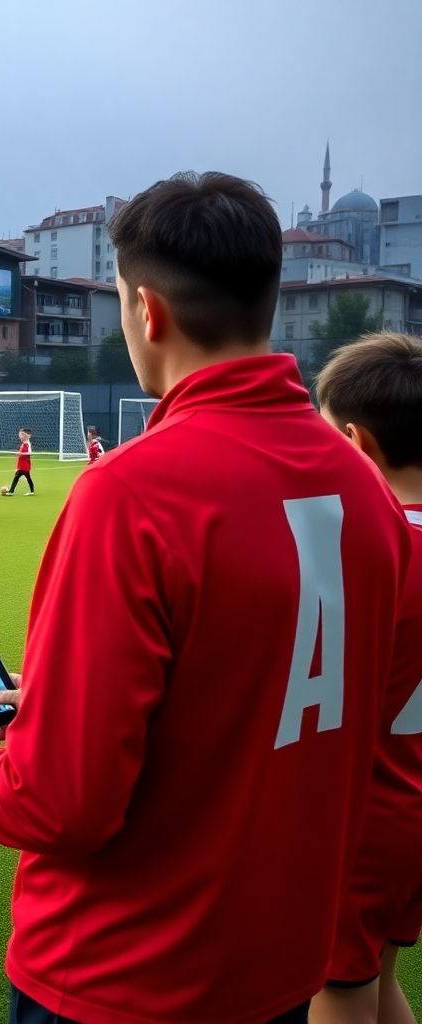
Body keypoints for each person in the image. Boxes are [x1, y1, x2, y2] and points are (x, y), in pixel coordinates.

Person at [0, 172, 410, 1024]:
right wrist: (74, 701)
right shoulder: (364, 486)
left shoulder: (131, 492)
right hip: (281, 968)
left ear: (145, 312)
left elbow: (62, 804)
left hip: (121, 979)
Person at [310, 332, 422, 1024]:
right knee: (378, 982)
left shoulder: (369, 552)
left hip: (359, 820)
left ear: (356, 443)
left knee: (335, 993)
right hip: (411, 807)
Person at [4, 428, 34, 495]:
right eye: (20, 435)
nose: (20, 436)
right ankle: (31, 491)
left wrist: (21, 454)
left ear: (26, 436)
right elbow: (21, 454)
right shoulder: (23, 444)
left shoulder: (27, 444)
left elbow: (29, 453)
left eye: (22, 435)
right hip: (22, 465)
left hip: (25, 466)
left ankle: (11, 491)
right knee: (27, 478)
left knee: (18, 478)